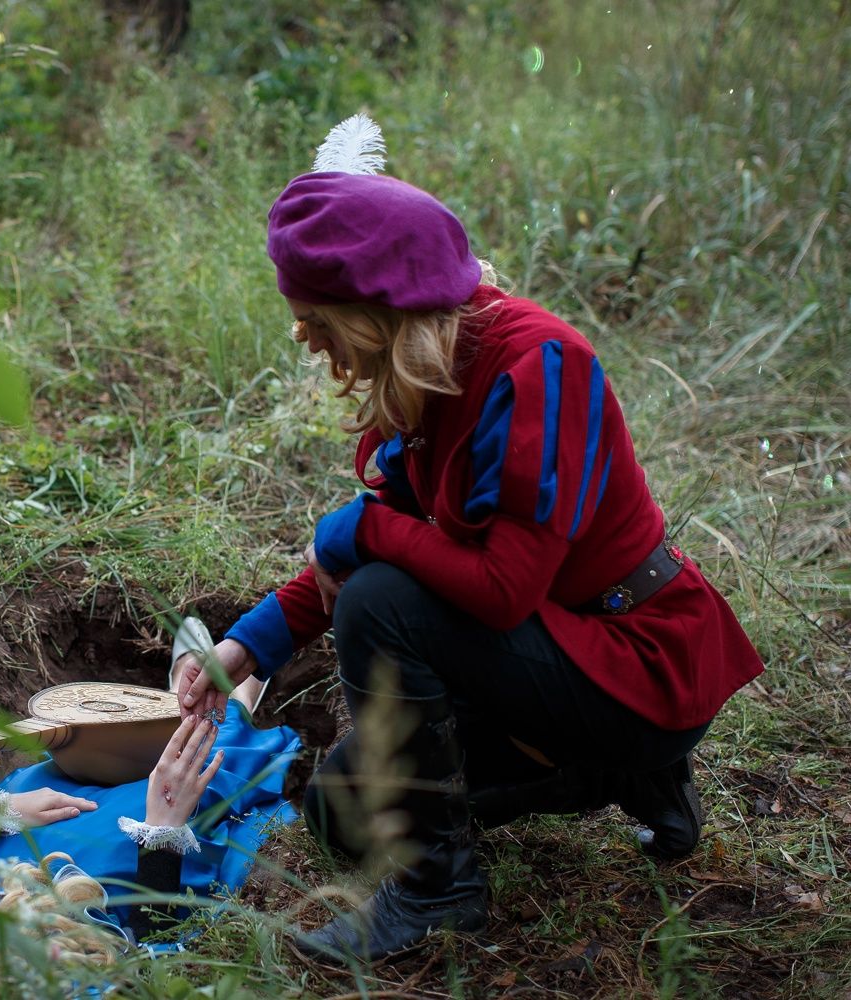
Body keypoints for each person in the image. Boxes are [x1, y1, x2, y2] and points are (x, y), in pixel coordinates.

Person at [174, 114, 765, 961]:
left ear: (377, 307)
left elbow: (498, 589)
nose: (305, 338)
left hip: (632, 659)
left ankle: (441, 892)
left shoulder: (540, 366)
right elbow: (397, 528)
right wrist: (251, 645)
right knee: (338, 816)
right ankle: (616, 776)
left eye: (316, 317)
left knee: (379, 604)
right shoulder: (433, 367)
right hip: (552, 650)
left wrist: (360, 531)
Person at [0, 635, 301, 945]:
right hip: (105, 884)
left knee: (74, 771)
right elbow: (146, 945)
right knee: (198, 767)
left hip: (3, 852)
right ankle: (227, 701)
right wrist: (162, 833)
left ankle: (180, 696)